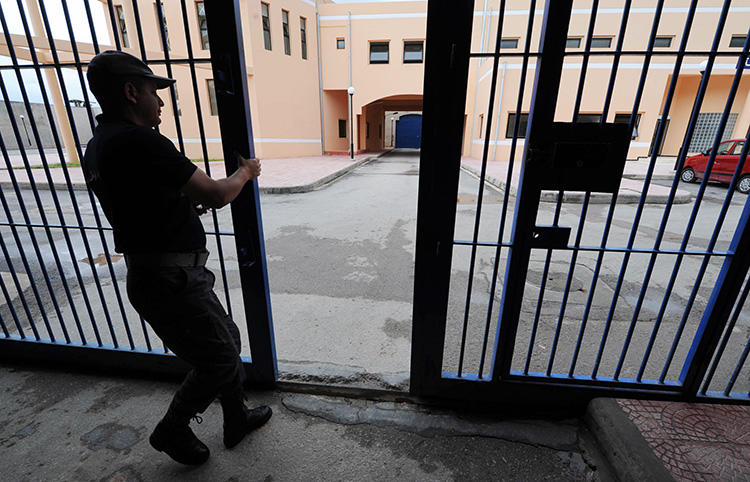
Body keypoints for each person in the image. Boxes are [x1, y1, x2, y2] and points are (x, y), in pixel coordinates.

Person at [82, 50, 271, 466]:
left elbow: (143, 205)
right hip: (171, 280)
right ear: (131, 92)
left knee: (226, 341)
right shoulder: (141, 140)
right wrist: (246, 172)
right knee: (219, 358)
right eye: (154, 91)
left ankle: (236, 416)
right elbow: (217, 194)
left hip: (158, 275)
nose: (162, 102)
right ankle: (172, 428)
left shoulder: (97, 147)